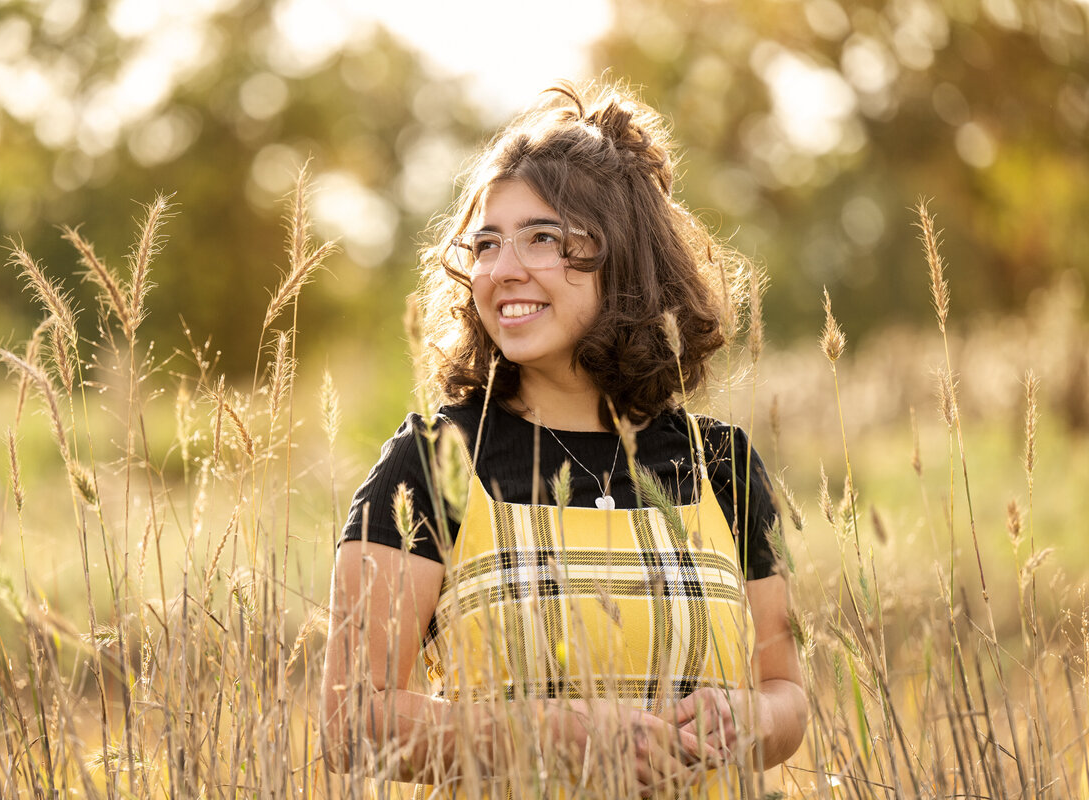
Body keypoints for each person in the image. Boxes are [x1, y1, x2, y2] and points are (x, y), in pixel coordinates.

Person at [321, 81, 807, 799]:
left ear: (626, 257)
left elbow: (787, 696)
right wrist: (555, 736)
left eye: (542, 238)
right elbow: (349, 722)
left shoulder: (722, 466)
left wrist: (743, 718)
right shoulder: (431, 461)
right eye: (486, 244)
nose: (502, 269)